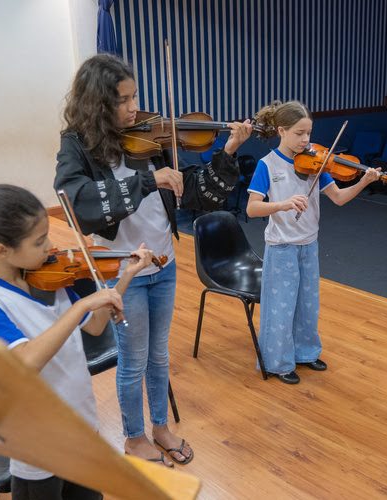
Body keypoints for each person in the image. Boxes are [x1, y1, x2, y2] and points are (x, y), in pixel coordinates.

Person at [53, 54, 252, 466]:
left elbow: (192, 194)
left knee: (159, 354)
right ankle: (133, 436)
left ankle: (160, 427)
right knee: (133, 358)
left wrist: (228, 150)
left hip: (162, 263)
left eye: (135, 96)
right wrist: (147, 179)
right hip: (122, 269)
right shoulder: (76, 145)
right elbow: (80, 204)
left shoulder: (150, 139)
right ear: (96, 103)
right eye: (122, 100)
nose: (133, 108)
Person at [0, 184, 156, 499]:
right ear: (1, 250)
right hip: (37, 443)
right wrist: (80, 307)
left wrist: (125, 276)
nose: (50, 246)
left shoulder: (50, 276)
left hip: (82, 425)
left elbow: (97, 324)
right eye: (39, 241)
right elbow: (23, 362)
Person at [246, 100, 381, 384]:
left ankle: (305, 353)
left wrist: (364, 181)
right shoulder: (267, 165)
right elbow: (252, 208)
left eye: (308, 132)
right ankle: (278, 362)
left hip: (309, 243)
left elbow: (339, 198)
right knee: (281, 305)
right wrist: (282, 205)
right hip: (282, 246)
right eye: (299, 133)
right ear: (281, 131)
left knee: (308, 303)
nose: (306, 140)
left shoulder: (317, 162)